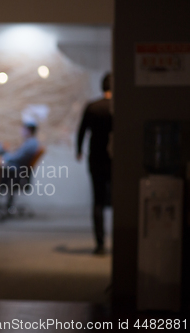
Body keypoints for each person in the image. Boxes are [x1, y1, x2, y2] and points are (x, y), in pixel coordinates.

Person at [76, 73, 113, 255]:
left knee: (97, 200)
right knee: (119, 200)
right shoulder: (120, 107)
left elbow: (82, 131)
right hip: (117, 161)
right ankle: (122, 239)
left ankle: (100, 243)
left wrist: (78, 151)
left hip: (96, 159)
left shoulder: (93, 107)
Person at [0, 121, 40, 215]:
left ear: (29, 131)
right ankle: (7, 205)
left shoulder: (31, 143)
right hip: (18, 172)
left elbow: (17, 157)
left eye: (23, 129)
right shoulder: (30, 142)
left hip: (17, 173)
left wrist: (4, 158)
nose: (21, 131)